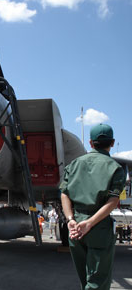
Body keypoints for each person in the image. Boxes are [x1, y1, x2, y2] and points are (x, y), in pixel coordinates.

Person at [60, 123, 126, 290]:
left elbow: (64, 193)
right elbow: (112, 200)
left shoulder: (74, 164)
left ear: (90, 143)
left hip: (75, 228)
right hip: (99, 227)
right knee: (98, 282)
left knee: (85, 281)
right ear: (112, 143)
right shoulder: (115, 168)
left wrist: (70, 220)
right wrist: (90, 224)